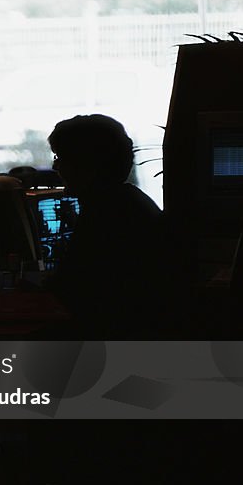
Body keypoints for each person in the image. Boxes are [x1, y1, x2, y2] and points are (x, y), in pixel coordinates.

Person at [45, 114, 174, 338]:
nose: (56, 166)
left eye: (61, 157)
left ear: (85, 164)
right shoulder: (129, 201)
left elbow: (68, 288)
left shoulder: (105, 210)